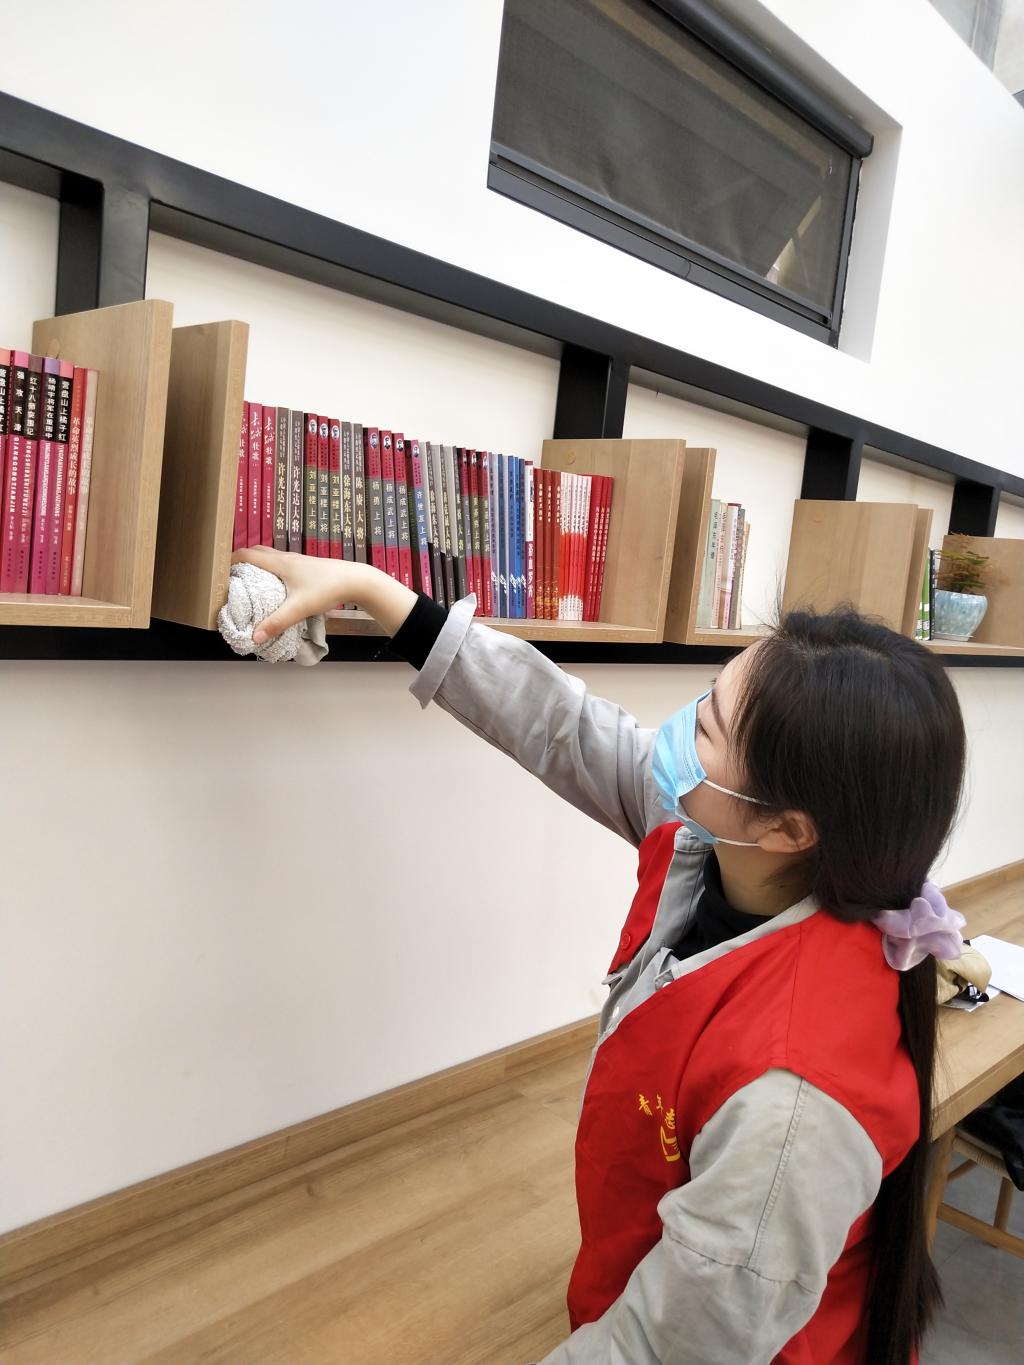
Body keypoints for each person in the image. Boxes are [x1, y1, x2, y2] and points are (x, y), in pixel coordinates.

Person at [232, 545, 968, 1365]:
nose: (678, 728)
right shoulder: (725, 842)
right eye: (706, 697)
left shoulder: (792, 1107)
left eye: (708, 728)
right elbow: (563, 727)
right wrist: (373, 591)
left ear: (786, 827)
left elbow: (669, 1346)